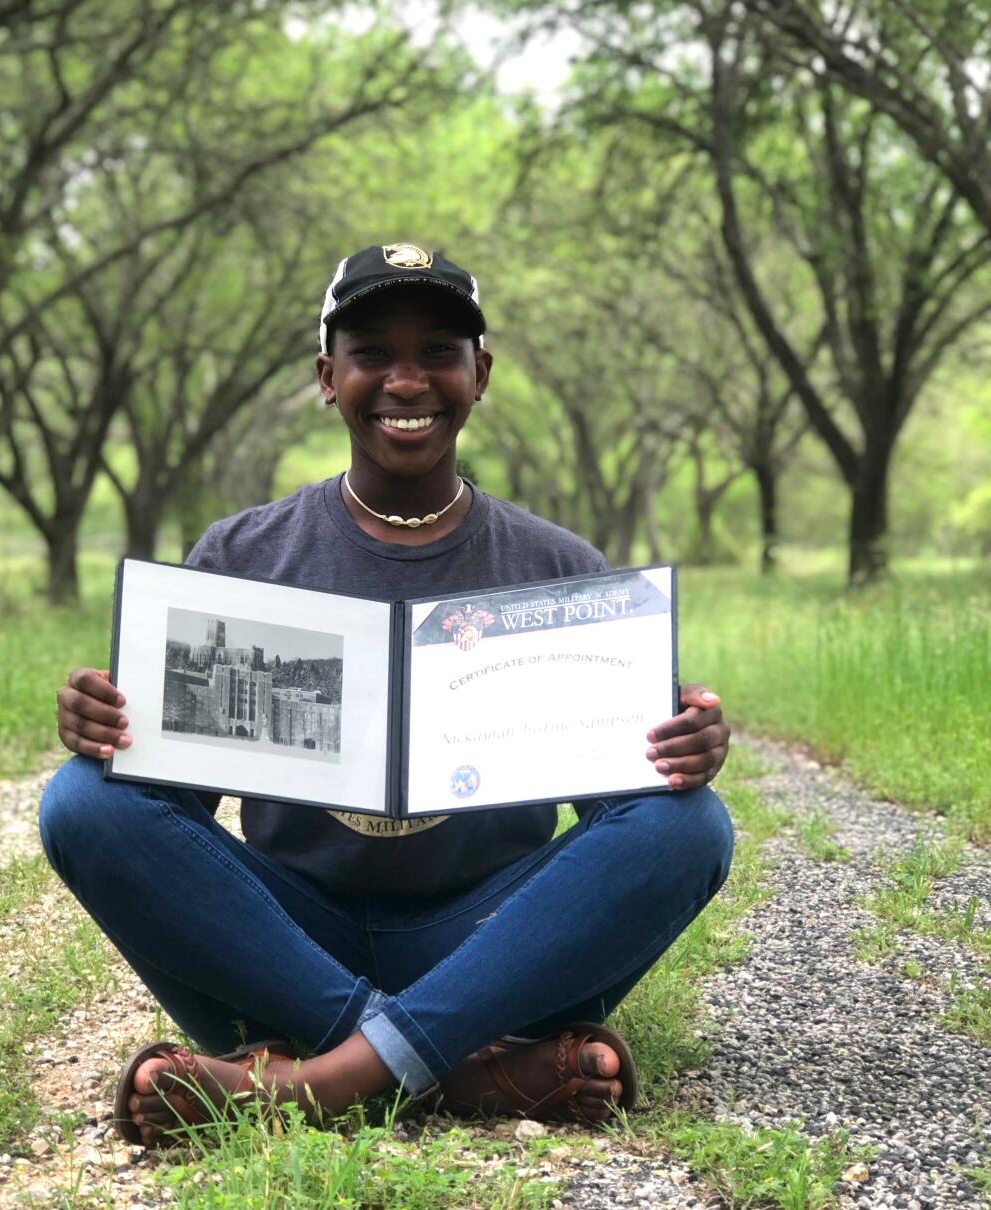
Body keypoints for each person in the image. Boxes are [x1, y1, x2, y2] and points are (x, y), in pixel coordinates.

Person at [40, 243, 733, 1147]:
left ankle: (318, 1082)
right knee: (84, 804)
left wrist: (679, 750)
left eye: (439, 352)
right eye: (372, 353)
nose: (407, 382)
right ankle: (463, 1072)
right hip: (287, 946)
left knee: (691, 826)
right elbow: (171, 812)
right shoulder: (240, 560)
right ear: (329, 377)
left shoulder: (560, 572)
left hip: (488, 944)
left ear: (479, 374)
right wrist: (112, 734)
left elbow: (620, 813)